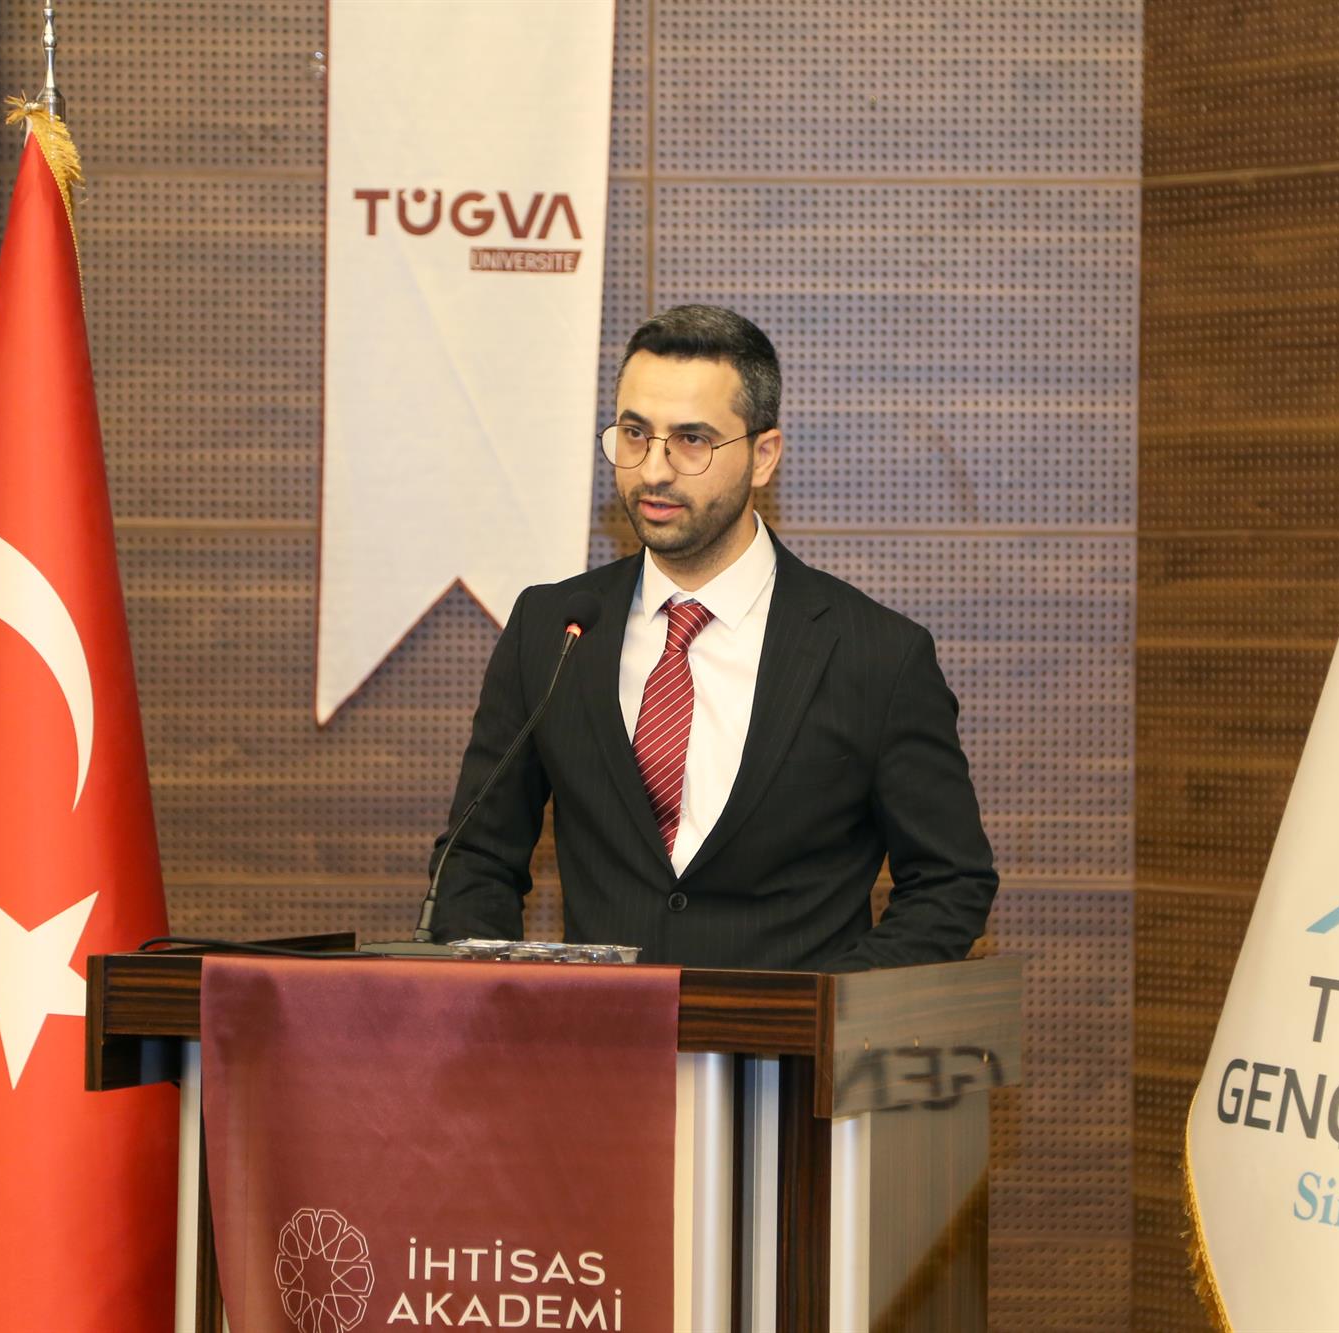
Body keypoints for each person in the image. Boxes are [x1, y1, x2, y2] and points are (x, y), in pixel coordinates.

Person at [427, 304, 997, 970]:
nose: (654, 470)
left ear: (763, 457)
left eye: (692, 440)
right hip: (599, 1035)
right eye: (634, 434)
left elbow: (950, 885)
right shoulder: (553, 631)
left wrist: (820, 1008)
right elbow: (476, 858)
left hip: (792, 1036)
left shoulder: (876, 655)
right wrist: (503, 1003)